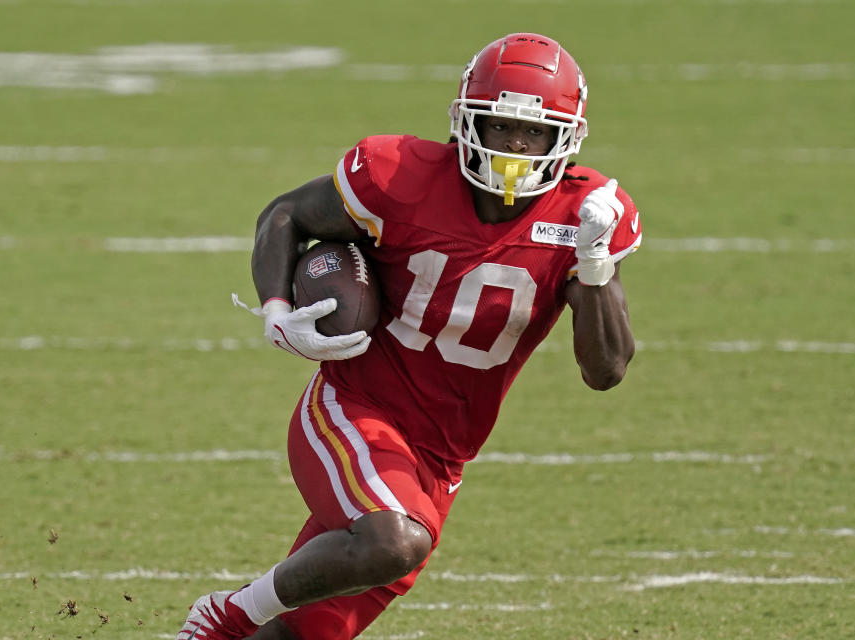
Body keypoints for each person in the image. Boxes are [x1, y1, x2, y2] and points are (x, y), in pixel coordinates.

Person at [178, 32, 642, 640]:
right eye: (500, 126)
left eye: (535, 132)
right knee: (394, 541)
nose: (516, 146)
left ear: (568, 139)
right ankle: (226, 613)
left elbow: (605, 370)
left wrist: (594, 265)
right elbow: (286, 214)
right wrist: (275, 307)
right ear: (465, 122)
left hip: (440, 456)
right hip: (356, 409)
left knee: (305, 633)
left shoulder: (584, 216)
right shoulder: (400, 174)